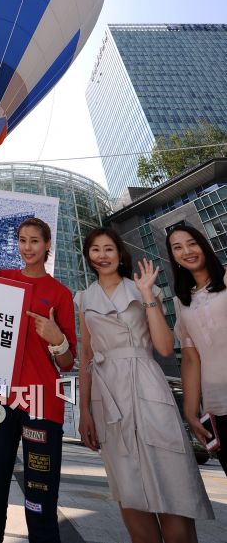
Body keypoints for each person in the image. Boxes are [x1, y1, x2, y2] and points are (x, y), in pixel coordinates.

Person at [77, 227, 213, 543]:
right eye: (95, 250)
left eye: (108, 248)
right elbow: (86, 355)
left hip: (148, 385)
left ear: (120, 253)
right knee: (129, 492)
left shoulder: (142, 289)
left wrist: (149, 295)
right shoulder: (83, 298)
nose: (102, 255)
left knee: (173, 487)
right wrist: (84, 411)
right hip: (107, 395)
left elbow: (165, 348)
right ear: (88, 256)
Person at [0, 217, 76, 543]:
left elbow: (67, 361)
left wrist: (56, 338)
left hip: (41, 403)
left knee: (39, 502)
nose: (27, 247)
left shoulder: (60, 294)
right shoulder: (1, 280)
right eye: (22, 240)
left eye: (34, 241)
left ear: (47, 246)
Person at [166, 224, 227, 474]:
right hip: (216, 405)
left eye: (192, 243)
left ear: (204, 244)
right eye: (177, 248)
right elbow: (191, 359)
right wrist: (190, 412)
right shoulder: (182, 302)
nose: (186, 251)